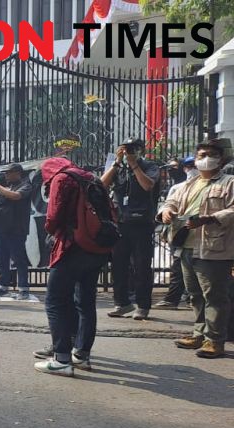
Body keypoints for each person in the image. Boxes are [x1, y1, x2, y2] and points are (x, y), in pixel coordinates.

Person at [35, 157, 112, 377]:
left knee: (56, 300)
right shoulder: (91, 178)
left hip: (73, 245)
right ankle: (82, 354)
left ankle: (61, 359)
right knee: (85, 301)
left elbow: (53, 216)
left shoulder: (62, 179)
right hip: (97, 247)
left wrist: (52, 230)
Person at [159, 139, 234, 359]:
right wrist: (166, 211)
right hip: (186, 245)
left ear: (220, 159)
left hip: (213, 247)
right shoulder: (188, 184)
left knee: (215, 296)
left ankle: (215, 340)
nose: (205, 158)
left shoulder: (229, 182)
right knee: (195, 295)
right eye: (201, 155)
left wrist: (209, 218)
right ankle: (199, 333)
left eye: (210, 154)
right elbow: (171, 201)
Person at [101, 138, 160, 320]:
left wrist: (134, 165)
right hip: (121, 222)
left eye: (133, 149)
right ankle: (122, 303)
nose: (129, 153)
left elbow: (148, 185)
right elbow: (102, 185)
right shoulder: (118, 167)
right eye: (126, 149)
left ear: (141, 150)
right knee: (118, 265)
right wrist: (117, 163)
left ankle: (143, 305)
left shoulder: (150, 166)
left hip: (142, 224)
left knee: (142, 266)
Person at [0, 163, 36, 300]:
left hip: (16, 230)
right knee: (2, 260)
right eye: (5, 173)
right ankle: (3, 287)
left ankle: (23, 289)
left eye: (8, 172)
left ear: (17, 172)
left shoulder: (26, 185)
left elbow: (16, 196)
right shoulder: (7, 187)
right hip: (1, 229)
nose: (6, 175)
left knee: (19, 260)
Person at [155, 156, 197, 309]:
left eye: (193, 165)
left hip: (202, 234)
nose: (191, 169)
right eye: (188, 166)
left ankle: (188, 298)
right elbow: (168, 206)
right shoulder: (178, 188)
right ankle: (174, 299)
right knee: (178, 266)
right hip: (180, 233)